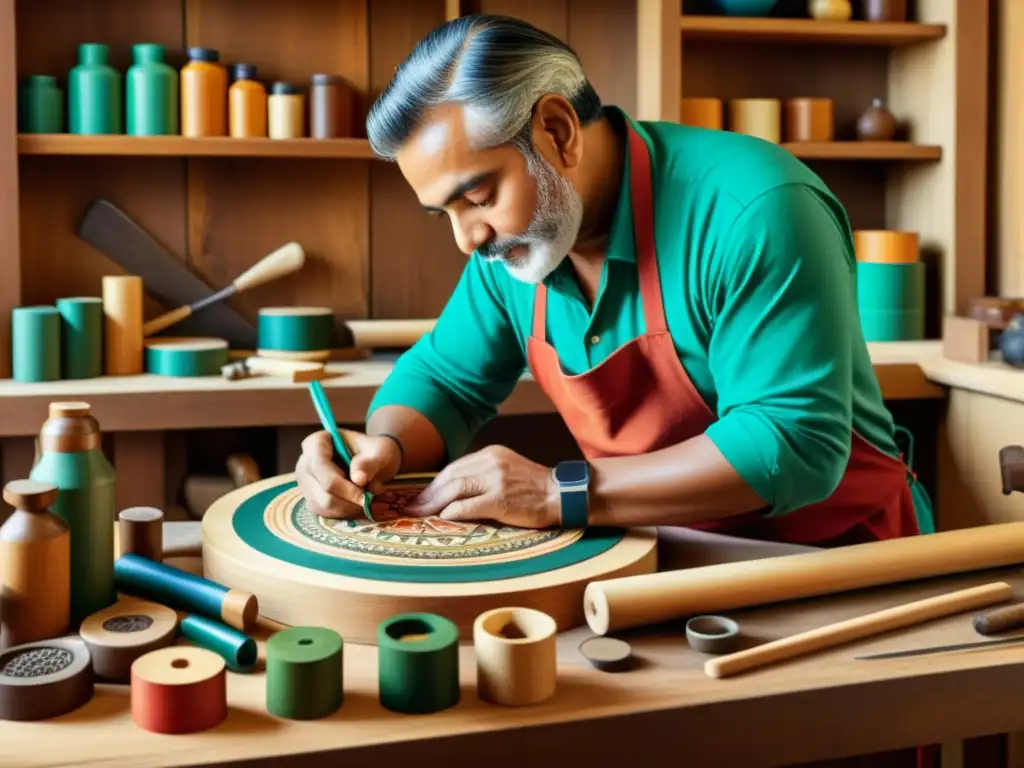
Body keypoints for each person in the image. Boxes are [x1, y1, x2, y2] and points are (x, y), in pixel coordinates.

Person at [295, 13, 931, 546]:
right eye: (446, 214)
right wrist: (381, 449)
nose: (467, 238)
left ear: (557, 130)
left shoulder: (755, 208)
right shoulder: (516, 249)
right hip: (650, 551)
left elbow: (790, 443)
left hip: (832, 560)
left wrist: (557, 491)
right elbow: (445, 378)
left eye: (479, 196)